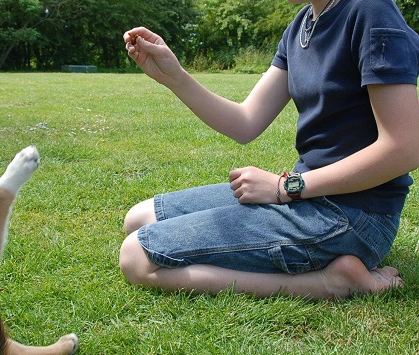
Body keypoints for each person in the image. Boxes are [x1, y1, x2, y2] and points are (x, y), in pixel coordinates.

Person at [119, 0, 419, 299]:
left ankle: (330, 282)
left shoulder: (371, 11)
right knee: (139, 217)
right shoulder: (301, 26)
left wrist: (285, 187)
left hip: (355, 216)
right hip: (309, 198)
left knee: (137, 257)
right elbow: (245, 122)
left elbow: (405, 148)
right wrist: (175, 77)